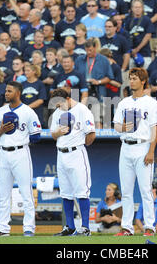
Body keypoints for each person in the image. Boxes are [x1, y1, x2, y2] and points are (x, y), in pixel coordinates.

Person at [113, 67, 157, 237]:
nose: (132, 81)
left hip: (143, 146)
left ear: (143, 81)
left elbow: (156, 128)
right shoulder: (124, 102)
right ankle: (127, 227)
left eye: (135, 78)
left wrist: (151, 151)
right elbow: (116, 126)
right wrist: (121, 127)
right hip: (126, 146)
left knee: (146, 189)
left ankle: (149, 226)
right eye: (130, 78)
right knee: (126, 191)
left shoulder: (151, 102)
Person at [0, 81, 42, 237]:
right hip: (3, 153)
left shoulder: (28, 111)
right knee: (3, 193)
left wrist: (19, 132)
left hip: (20, 152)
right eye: (5, 91)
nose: (6, 93)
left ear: (18, 93)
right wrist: (2, 130)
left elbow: (36, 136)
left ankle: (28, 228)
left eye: (9, 91)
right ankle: (3, 229)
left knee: (26, 192)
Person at [50, 88, 96, 236]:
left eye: (60, 103)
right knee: (66, 192)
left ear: (68, 99)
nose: (58, 107)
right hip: (61, 153)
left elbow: (91, 134)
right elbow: (53, 134)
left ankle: (85, 228)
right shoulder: (58, 112)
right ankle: (69, 227)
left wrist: (80, 145)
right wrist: (58, 132)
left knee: (82, 191)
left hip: (76, 152)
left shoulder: (82, 110)